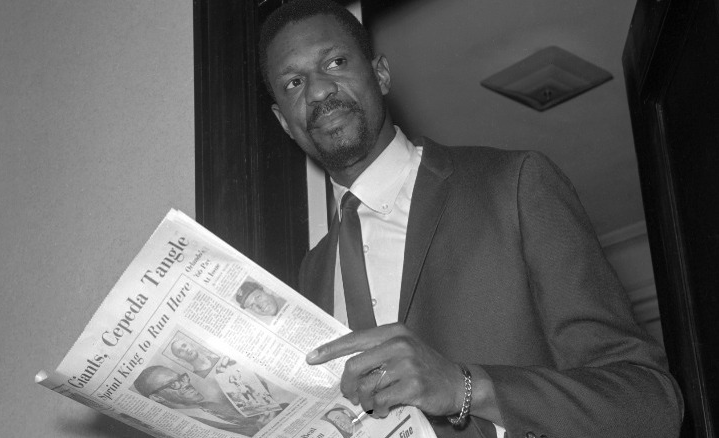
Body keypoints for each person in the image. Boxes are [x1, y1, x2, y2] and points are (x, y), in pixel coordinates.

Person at [258, 1, 683, 438]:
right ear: (284, 123)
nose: (317, 91)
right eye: (293, 82)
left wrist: (466, 388)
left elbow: (651, 404)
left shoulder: (514, 185)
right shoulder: (310, 274)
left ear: (380, 73)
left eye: (336, 61)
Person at [133, 365, 281, 437]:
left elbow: (252, 420)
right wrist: (263, 431)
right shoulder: (181, 429)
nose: (186, 383)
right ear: (157, 398)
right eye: (174, 383)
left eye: (181, 377)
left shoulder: (208, 405)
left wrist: (262, 393)